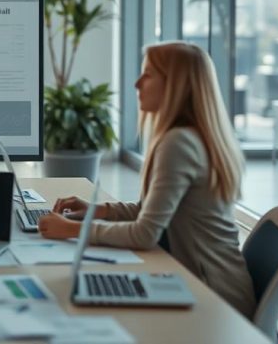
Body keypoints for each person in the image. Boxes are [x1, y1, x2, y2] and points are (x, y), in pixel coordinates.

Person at [38, 41, 256, 317]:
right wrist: (98, 210)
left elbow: (145, 233)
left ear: (174, 85)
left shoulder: (180, 142)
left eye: (148, 74)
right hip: (209, 285)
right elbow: (149, 212)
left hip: (215, 299)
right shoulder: (189, 136)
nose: (137, 83)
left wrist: (71, 229)